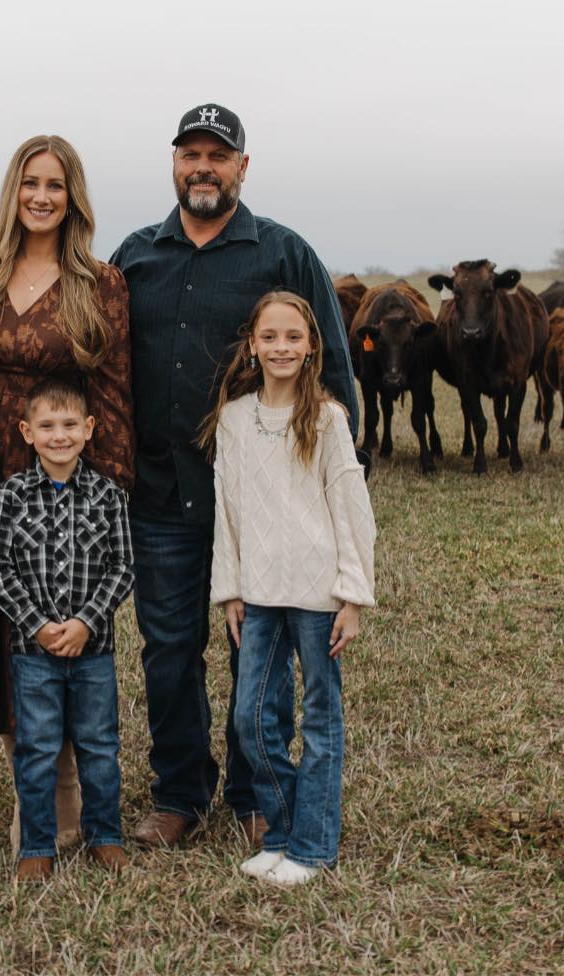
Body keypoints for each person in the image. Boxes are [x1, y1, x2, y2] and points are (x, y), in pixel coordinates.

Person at [109, 103, 359, 849]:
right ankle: (180, 793)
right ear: (173, 164)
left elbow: (333, 371)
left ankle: (257, 792)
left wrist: (338, 489)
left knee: (261, 650)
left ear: (242, 167)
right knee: (168, 650)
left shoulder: (282, 254)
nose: (203, 168)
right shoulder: (134, 257)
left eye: (218, 155)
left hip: (263, 504)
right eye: (191, 154)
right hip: (161, 492)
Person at [0, 135, 134, 853]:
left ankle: (65, 798)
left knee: (61, 618)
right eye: (30, 183)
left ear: (73, 196)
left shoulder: (100, 283)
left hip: (61, 471)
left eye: (55, 185)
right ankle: (32, 790)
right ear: (13, 191)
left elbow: (113, 393)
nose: (42, 197)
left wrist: (106, 494)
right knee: (1, 625)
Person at [199, 291, 375, 886]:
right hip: (259, 593)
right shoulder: (234, 418)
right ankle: (280, 832)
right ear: (252, 344)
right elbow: (227, 510)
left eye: (293, 337)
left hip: (318, 594)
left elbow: (351, 507)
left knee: (320, 720)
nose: (281, 347)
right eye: (270, 337)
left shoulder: (326, 419)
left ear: (311, 346)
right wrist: (230, 589)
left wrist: (352, 595)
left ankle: (312, 847)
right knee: (252, 719)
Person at [0, 379, 135, 882]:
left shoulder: (109, 496)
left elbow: (123, 567)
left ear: (89, 429)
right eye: (47, 426)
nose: (59, 436)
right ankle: (37, 844)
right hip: (33, 654)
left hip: (94, 652)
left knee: (99, 747)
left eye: (70, 425)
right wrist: (38, 625)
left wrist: (87, 622)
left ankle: (105, 835)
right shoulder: (10, 495)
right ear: (27, 432)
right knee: (37, 750)